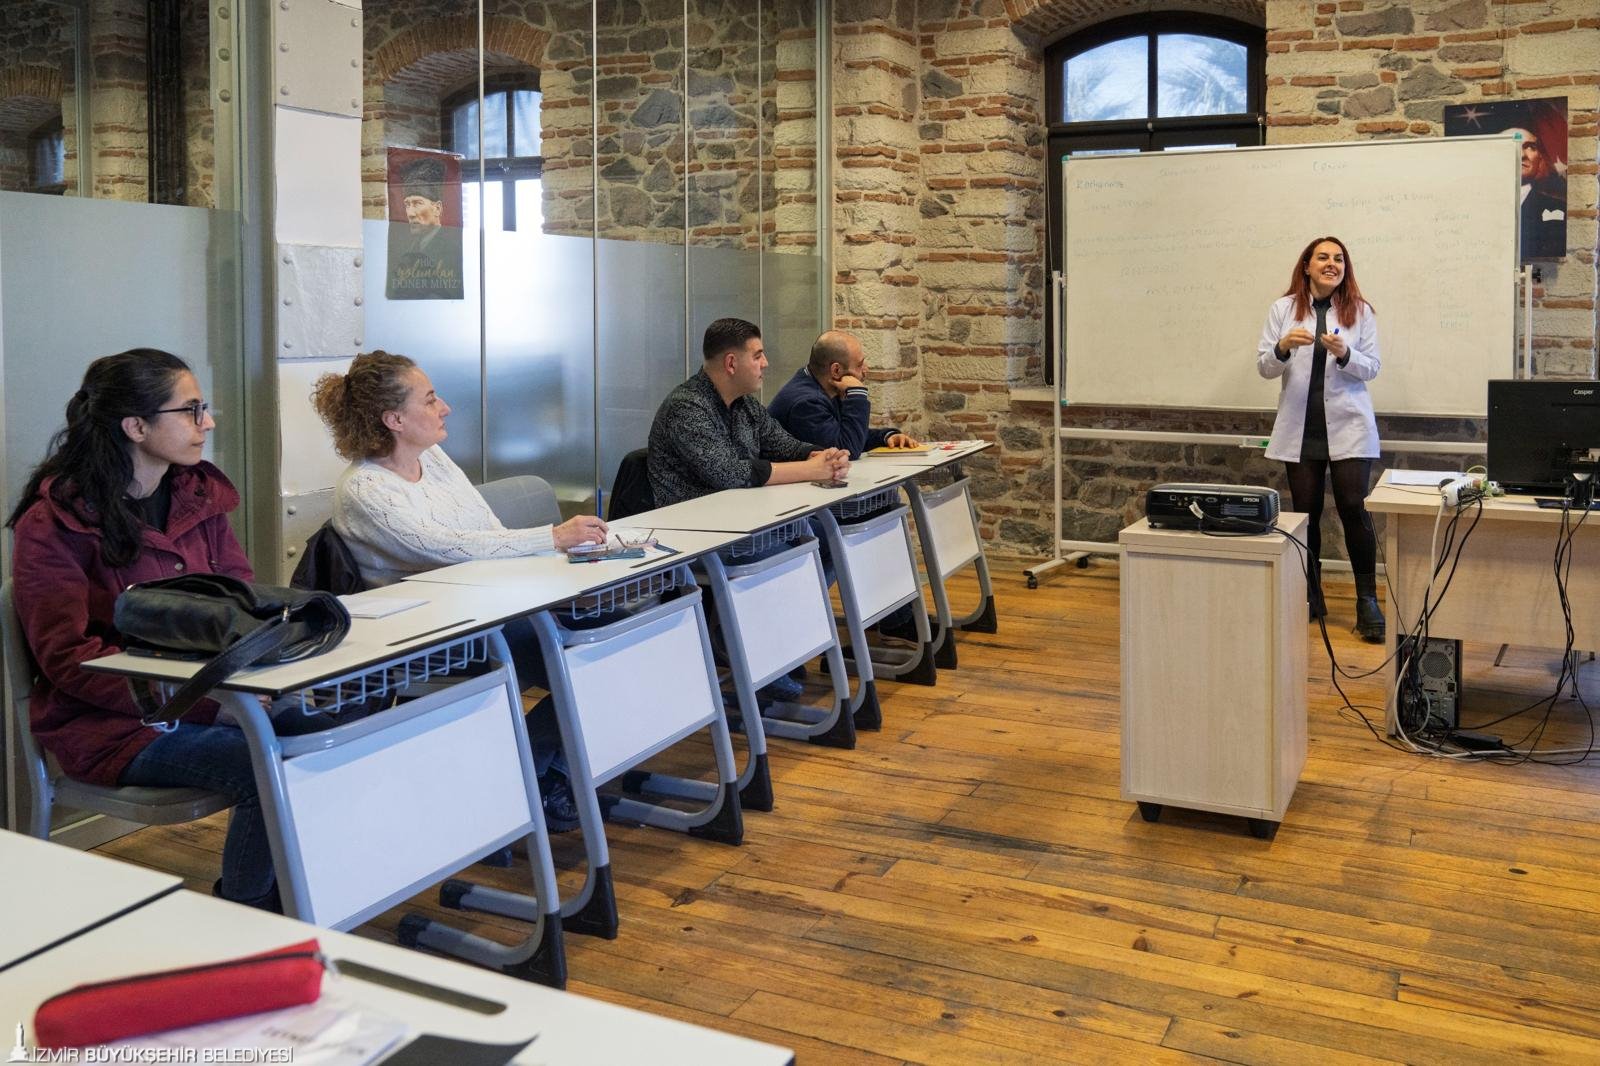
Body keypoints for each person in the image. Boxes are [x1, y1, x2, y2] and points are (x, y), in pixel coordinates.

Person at [6, 349, 278, 909]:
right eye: (192, 410)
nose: (208, 423)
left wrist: (257, 683)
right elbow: (69, 658)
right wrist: (209, 704)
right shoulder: (53, 523)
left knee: (331, 729)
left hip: (218, 700)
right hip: (108, 726)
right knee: (267, 764)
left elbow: (238, 601)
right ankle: (249, 921)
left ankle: (302, 905)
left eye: (205, 408)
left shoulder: (197, 496)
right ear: (135, 426)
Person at [310, 350, 608, 829]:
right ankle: (515, 787)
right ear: (394, 419)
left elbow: (486, 533)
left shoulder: (435, 460)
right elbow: (448, 548)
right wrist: (552, 538)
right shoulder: (366, 489)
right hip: (433, 638)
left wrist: (553, 557)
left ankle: (530, 776)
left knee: (606, 649)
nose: (444, 407)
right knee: (583, 664)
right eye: (429, 400)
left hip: (486, 612)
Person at [1257, 236, 1384, 643]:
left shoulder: (1360, 311)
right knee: (1305, 512)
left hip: (1347, 425)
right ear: (1307, 266)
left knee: (1352, 506)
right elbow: (1264, 368)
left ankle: (1367, 599)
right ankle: (1310, 593)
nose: (1332, 264)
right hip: (1302, 428)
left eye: (1339, 259)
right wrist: (1281, 347)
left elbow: (1372, 367)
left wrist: (1346, 353)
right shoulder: (1283, 309)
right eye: (1323, 258)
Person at [647, 317, 849, 507]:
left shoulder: (745, 404)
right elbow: (728, 473)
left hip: (745, 514)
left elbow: (784, 445)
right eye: (757, 356)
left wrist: (823, 456)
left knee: (817, 533)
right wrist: (810, 469)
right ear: (731, 363)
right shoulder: (685, 407)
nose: (765, 363)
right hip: (694, 529)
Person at [768, 329, 920, 460]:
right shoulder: (806, 403)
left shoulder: (821, 385)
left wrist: (886, 438)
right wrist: (857, 394)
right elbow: (846, 450)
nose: (866, 369)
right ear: (836, 371)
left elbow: (849, 436)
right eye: (860, 365)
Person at [386, 157, 464, 300]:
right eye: (407, 204)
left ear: (437, 208)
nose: (410, 213)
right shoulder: (410, 248)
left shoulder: (453, 250)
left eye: (417, 203)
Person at [1509, 125, 1567, 260]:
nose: (1522, 154)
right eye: (1512, 145)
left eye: (1530, 147)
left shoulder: (1558, 208)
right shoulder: (1475, 207)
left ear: (1540, 158)